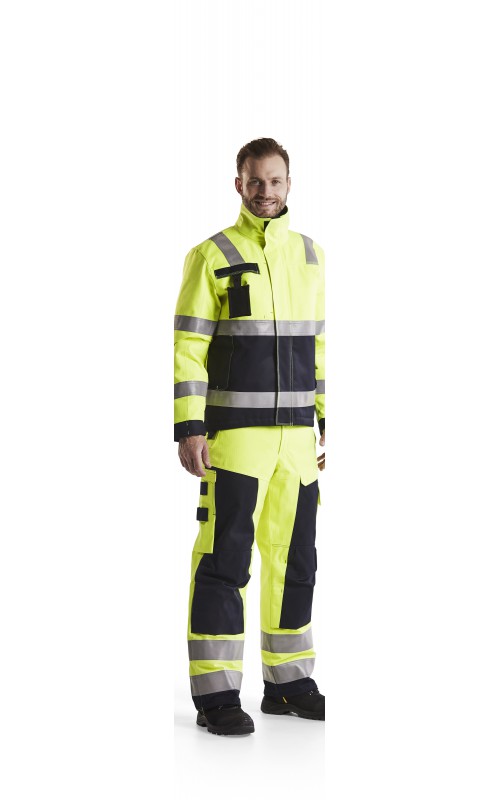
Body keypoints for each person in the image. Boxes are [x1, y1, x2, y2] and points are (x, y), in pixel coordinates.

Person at [174, 138, 325, 736]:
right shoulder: (211, 254)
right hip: (235, 438)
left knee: (296, 562)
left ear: (290, 183)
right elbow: (190, 345)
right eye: (255, 181)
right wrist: (190, 426)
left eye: (275, 181)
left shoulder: (311, 256)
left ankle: (288, 683)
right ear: (238, 183)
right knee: (224, 561)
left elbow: (318, 344)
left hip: (296, 442)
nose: (266, 191)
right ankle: (216, 694)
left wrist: (326, 416)